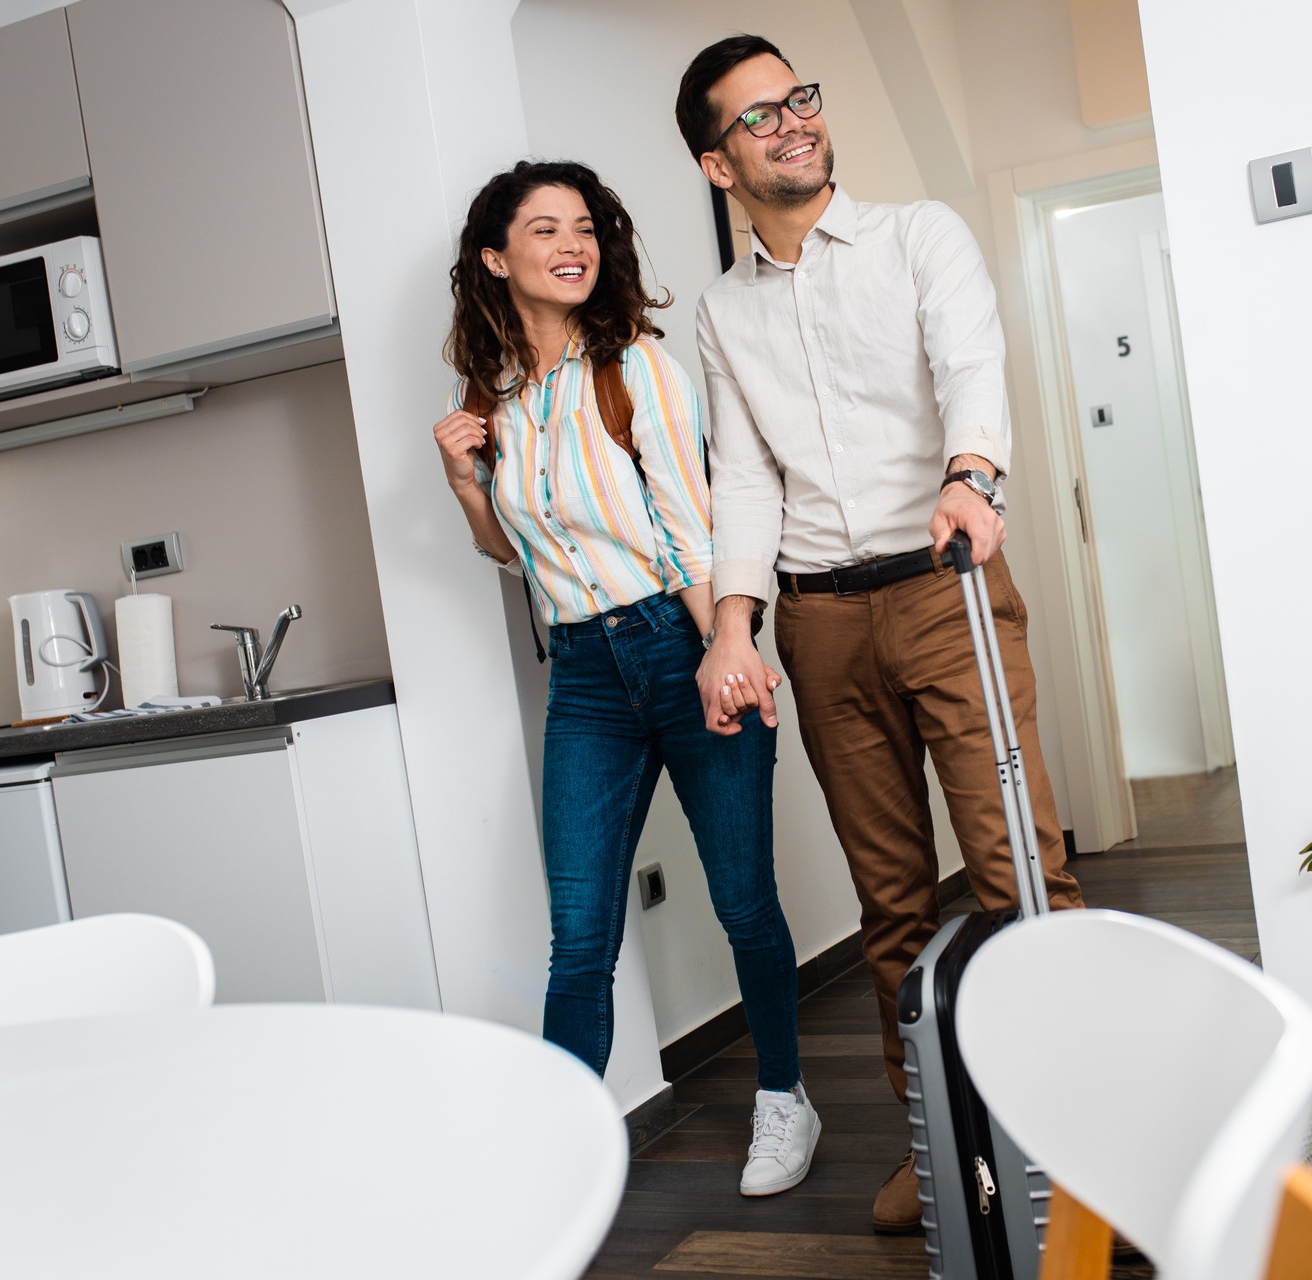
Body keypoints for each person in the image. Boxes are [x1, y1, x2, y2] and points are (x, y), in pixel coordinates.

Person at [674, 39, 1087, 1232]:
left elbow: (971, 362)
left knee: (1022, 873)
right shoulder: (722, 309)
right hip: (818, 620)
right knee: (893, 902)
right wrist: (735, 626)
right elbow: (743, 475)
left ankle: (1071, 1142)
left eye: (799, 96)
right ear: (719, 161)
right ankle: (944, 1148)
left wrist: (974, 474)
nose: (794, 121)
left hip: (944, 585)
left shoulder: (920, 237)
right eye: (760, 116)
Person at [432, 160, 818, 1196]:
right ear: (494, 257)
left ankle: (783, 1098)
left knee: (744, 900)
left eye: (586, 225)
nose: (575, 242)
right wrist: (468, 485)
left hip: (675, 640)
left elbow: (689, 525)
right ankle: (560, 1154)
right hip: (585, 676)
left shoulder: (635, 365)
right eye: (545, 227)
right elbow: (511, 553)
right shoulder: (493, 395)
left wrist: (726, 652)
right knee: (580, 934)